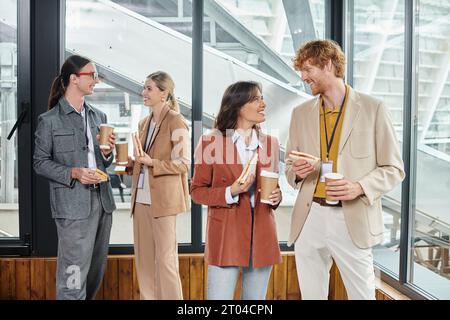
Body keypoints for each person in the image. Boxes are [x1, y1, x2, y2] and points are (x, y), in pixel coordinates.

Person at [285, 40, 405, 300]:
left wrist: (359, 187)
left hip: (352, 218)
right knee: (311, 295)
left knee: (362, 295)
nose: (303, 77)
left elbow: (394, 168)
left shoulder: (374, 109)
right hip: (310, 216)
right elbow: (289, 165)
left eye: (307, 69)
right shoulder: (300, 113)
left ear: (328, 65)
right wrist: (298, 171)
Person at [33, 55, 116, 300]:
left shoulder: (99, 117)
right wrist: (74, 173)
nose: (96, 80)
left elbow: (104, 162)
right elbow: (40, 163)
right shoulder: (49, 121)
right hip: (71, 208)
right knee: (73, 276)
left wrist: (108, 154)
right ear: (73, 79)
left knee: (93, 274)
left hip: (102, 203)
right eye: (91, 75)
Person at [191, 81, 282, 300]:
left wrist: (277, 196)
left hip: (262, 234)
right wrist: (230, 191)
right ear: (238, 106)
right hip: (226, 235)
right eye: (256, 99)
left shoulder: (270, 143)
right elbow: (196, 191)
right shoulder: (210, 142)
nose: (263, 103)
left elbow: (273, 187)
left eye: (262, 98)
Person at [127, 71, 190, 300]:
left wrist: (151, 162)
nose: (143, 92)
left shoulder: (176, 121)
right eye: (144, 88)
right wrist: (131, 163)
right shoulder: (144, 123)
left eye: (149, 88)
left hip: (163, 202)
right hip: (141, 199)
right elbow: (142, 161)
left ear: (164, 93)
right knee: (144, 261)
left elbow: (183, 164)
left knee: (166, 260)